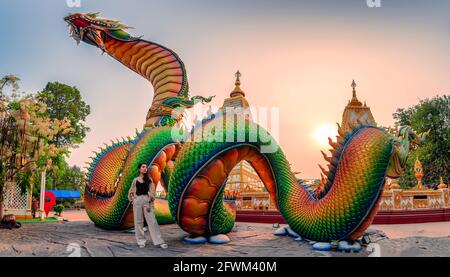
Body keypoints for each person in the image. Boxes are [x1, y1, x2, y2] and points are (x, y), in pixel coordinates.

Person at [128, 163, 168, 249]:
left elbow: (152, 192)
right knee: (138, 222)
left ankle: (159, 241)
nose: (145, 168)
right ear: (139, 169)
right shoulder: (135, 180)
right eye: (143, 167)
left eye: (146, 167)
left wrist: (149, 200)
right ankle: (141, 241)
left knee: (152, 221)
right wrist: (133, 200)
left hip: (147, 200)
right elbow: (131, 191)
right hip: (137, 201)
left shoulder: (149, 180)